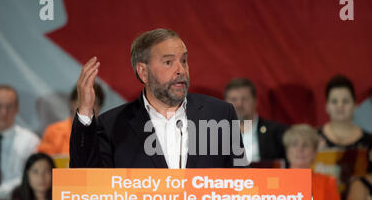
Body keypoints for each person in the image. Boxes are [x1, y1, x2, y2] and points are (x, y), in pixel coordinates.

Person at [70, 28, 246, 169]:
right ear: (143, 72)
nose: (181, 70)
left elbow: (241, 184)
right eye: (168, 62)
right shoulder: (112, 126)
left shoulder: (220, 114)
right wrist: (85, 111)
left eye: (184, 60)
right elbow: (87, 186)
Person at [223, 78, 287, 164]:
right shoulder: (216, 134)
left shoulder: (277, 132)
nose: (239, 104)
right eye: (234, 99)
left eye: (244, 99)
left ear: (255, 102)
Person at [38, 84, 105, 156]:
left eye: (94, 102)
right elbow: (44, 164)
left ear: (99, 108)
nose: (88, 106)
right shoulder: (53, 132)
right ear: (72, 103)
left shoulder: (104, 136)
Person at [318, 75, 370, 150]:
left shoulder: (369, 141)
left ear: (355, 106)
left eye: (345, 101)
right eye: (334, 101)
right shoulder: (314, 139)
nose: (340, 106)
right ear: (326, 107)